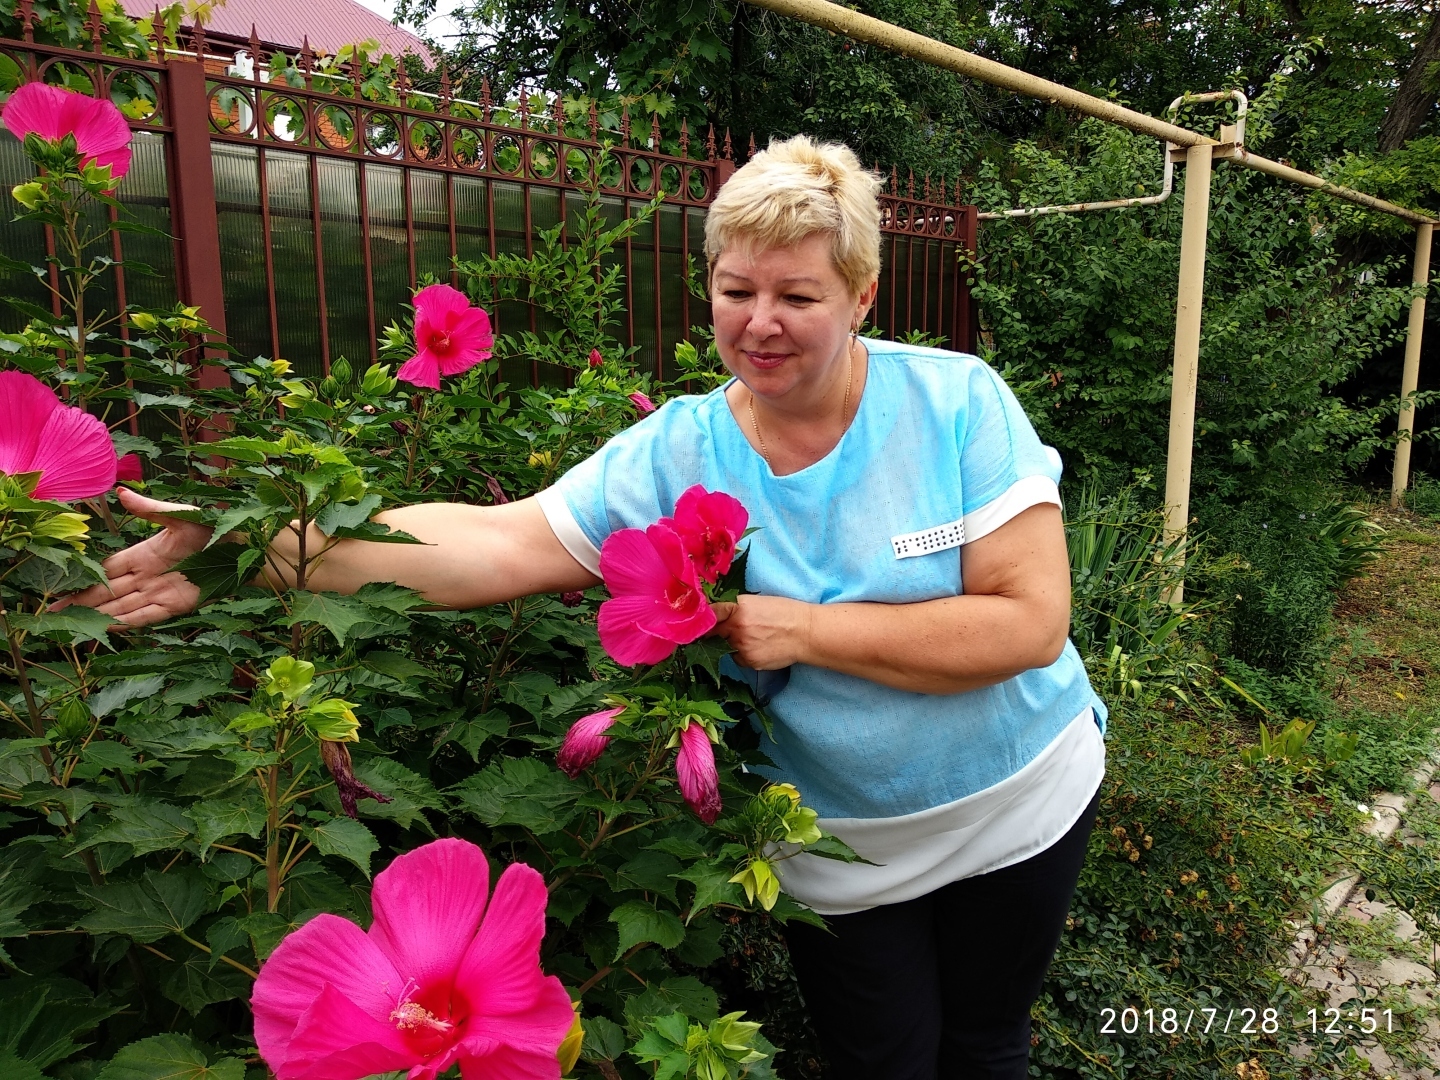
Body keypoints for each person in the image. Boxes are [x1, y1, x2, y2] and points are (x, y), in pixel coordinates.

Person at [67, 135, 1105, 1080]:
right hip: (837, 844)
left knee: (985, 1044)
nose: (760, 323)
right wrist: (260, 545)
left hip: (1017, 801)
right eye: (734, 289)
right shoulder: (678, 449)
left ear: (864, 295)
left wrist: (800, 630)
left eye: (798, 295)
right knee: (882, 1061)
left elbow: (1027, 623)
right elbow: (496, 541)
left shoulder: (956, 403)